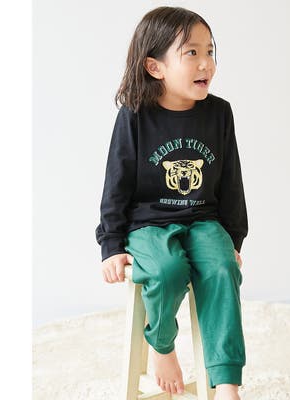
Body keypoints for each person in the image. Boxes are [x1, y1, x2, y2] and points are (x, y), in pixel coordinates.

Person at [95, 6, 248, 400]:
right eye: (191, 53)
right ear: (155, 67)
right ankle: (162, 346)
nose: (206, 63)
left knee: (222, 269)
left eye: (210, 51)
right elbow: (116, 184)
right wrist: (111, 244)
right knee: (166, 270)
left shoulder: (219, 113)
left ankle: (227, 383)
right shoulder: (135, 116)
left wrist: (233, 238)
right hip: (147, 223)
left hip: (205, 220)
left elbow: (231, 181)